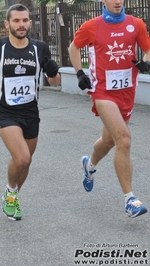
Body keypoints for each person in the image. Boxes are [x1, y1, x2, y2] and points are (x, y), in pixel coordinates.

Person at [0, 4, 60, 220]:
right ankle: (11, 191)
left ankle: (12, 197)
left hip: (31, 113)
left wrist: (53, 71)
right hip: (4, 112)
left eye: (24, 21)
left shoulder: (40, 48)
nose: (21, 25)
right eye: (16, 21)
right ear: (7, 24)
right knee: (21, 158)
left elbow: (55, 83)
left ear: (30, 23)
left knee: (27, 161)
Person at [68, 0, 150, 218]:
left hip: (127, 92)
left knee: (109, 140)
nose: (118, 1)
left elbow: (147, 49)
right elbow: (73, 47)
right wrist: (79, 73)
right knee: (123, 138)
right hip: (103, 92)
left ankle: (89, 164)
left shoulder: (136, 24)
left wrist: (146, 61)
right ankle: (130, 199)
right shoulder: (92, 26)